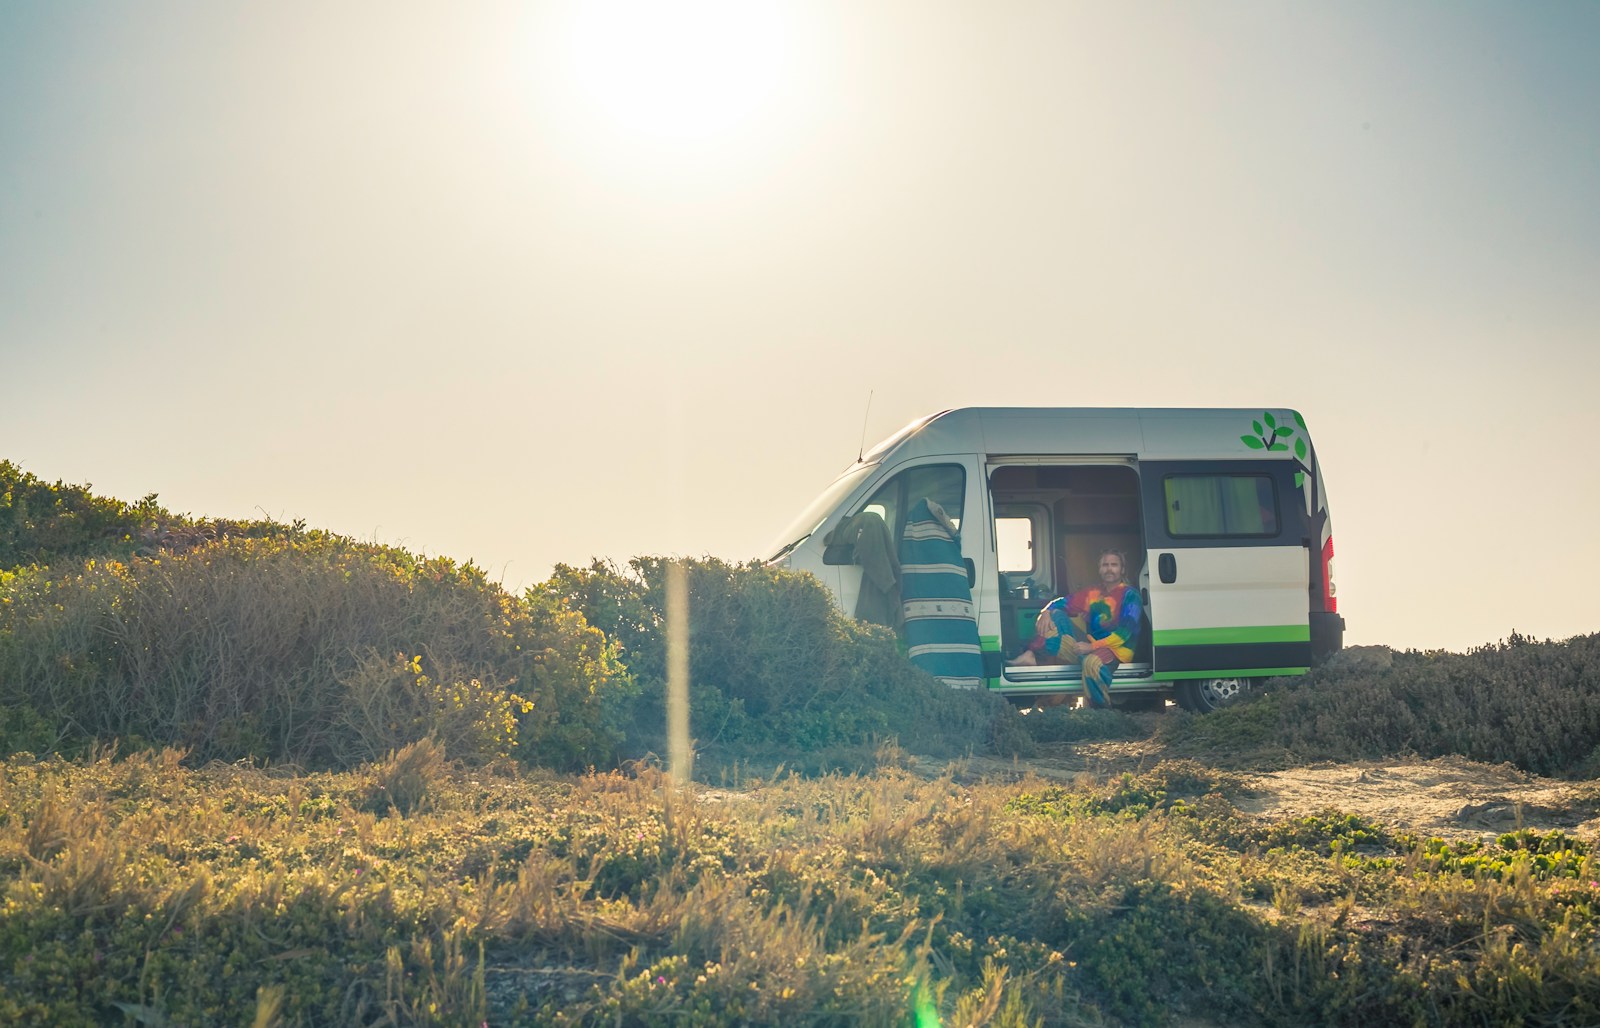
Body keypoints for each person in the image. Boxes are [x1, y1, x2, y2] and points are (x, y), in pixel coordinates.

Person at [1010, 549, 1143, 707]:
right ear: (1099, 569)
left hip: (1116, 649)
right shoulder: (1093, 593)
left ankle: (1100, 713)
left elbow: (1124, 634)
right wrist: (1045, 611)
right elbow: (1061, 603)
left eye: (1114, 565)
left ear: (1122, 569)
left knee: (1091, 663)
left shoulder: (1131, 595)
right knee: (1056, 615)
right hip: (1089, 645)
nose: (1109, 569)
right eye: (1105, 565)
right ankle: (1032, 655)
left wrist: (1091, 647)